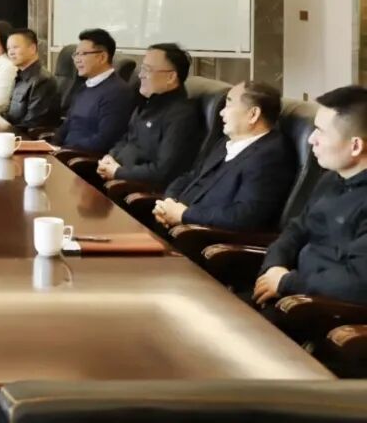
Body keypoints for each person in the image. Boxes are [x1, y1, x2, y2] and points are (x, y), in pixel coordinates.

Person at [254, 86, 367, 307]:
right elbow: (296, 230)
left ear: (355, 146)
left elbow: (358, 283)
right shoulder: (331, 179)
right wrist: (274, 267)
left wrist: (287, 282)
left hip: (323, 311)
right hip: (290, 295)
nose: (311, 139)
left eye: (320, 131)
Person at [153, 81, 291, 231]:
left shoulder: (269, 157)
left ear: (253, 114)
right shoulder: (226, 142)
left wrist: (184, 215)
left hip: (202, 238)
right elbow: (191, 176)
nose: (221, 113)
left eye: (229, 105)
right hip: (178, 225)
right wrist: (168, 204)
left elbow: (244, 216)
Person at [96, 43, 202, 186]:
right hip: (115, 178)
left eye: (147, 70)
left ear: (171, 77)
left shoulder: (182, 116)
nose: (140, 75)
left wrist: (118, 172)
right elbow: (127, 139)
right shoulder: (149, 102)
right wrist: (111, 157)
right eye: (142, 68)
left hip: (133, 190)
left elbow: (163, 172)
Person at [53, 28, 134, 154]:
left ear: (102, 57)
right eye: (76, 54)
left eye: (83, 54)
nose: (77, 60)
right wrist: (51, 146)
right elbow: (68, 124)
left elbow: (105, 140)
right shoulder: (85, 86)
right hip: (64, 154)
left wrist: (64, 150)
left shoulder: (118, 92)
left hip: (82, 159)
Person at [3, 28, 60, 130]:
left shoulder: (43, 80)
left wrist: (4, 131)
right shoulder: (20, 76)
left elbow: (33, 124)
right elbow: (11, 115)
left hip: (27, 136)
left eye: (15, 47)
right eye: (8, 48)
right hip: (13, 133)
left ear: (32, 48)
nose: (11, 52)